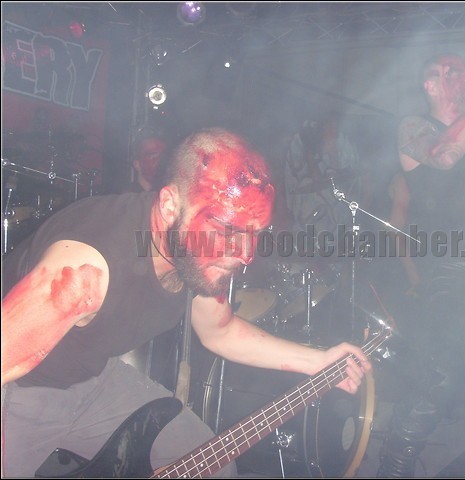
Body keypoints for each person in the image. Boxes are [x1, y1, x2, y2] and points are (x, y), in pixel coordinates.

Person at [0, 127, 371, 478]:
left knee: (213, 465)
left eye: (255, 233)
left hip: (96, 377)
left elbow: (219, 331)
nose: (245, 254)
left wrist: (319, 360)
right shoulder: (86, 269)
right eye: (228, 229)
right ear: (169, 205)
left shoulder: (193, 254)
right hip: (25, 389)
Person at [376, 54, 465, 477]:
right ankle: (394, 469)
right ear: (431, 85)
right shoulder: (414, 127)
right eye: (449, 73)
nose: (461, 78)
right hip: (450, 266)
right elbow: (446, 156)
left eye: (462, 71)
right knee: (439, 375)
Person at [121, 127, 170, 193]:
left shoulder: (168, 193)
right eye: (152, 155)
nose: (159, 160)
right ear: (137, 164)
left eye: (163, 155)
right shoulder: (128, 195)